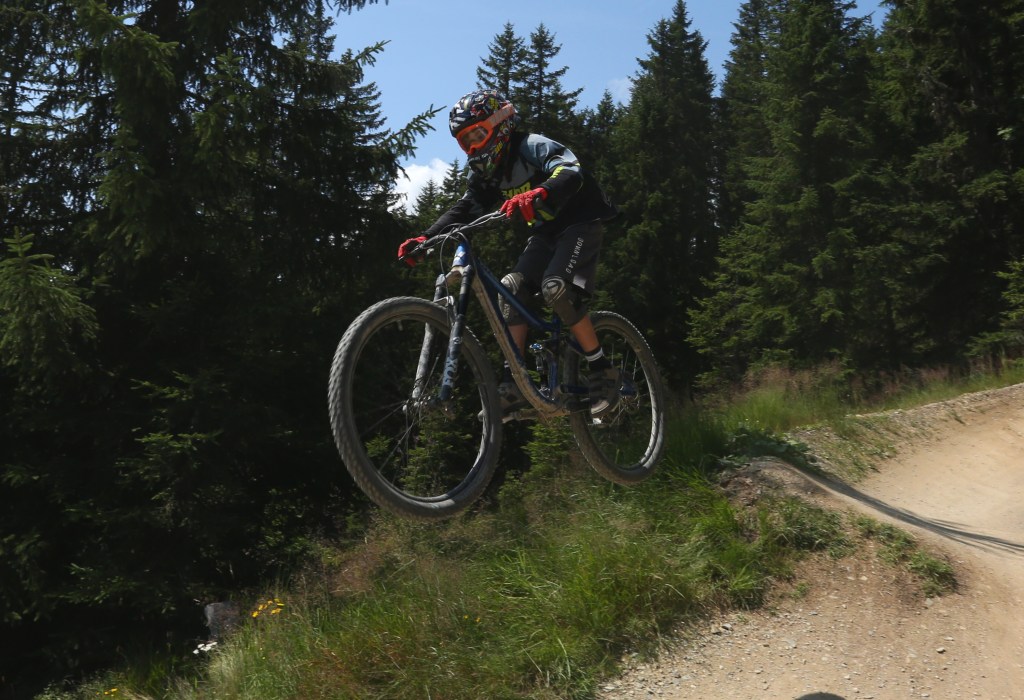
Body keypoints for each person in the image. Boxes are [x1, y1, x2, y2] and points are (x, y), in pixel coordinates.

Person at [398, 89, 620, 418]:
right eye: (465, 141)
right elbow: (466, 209)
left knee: (555, 287)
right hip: (546, 233)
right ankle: (514, 383)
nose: (473, 147)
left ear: (499, 124)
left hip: (581, 221)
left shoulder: (530, 145)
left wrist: (541, 191)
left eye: (477, 135)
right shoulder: (487, 173)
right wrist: (425, 237)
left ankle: (602, 369)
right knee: (511, 288)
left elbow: (571, 170)